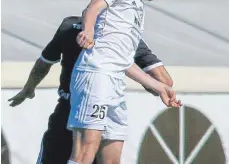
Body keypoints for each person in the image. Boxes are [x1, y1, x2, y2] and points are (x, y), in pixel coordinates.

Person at [8, 16, 174, 164]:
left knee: (80, 156)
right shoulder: (125, 34)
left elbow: (44, 62)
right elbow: (164, 80)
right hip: (99, 112)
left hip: (70, 110)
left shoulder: (71, 26)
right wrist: (148, 82)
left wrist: (28, 88)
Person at [67, 0, 180, 164]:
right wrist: (89, 30)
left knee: (112, 158)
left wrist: (158, 86)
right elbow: (92, 8)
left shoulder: (138, 8)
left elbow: (124, 61)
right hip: (96, 74)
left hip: (115, 84)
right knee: (86, 149)